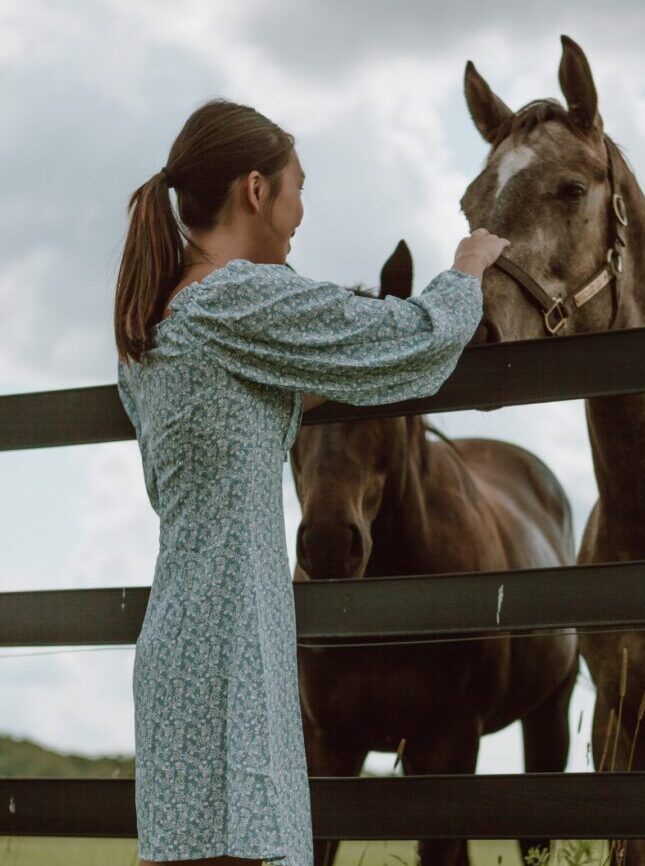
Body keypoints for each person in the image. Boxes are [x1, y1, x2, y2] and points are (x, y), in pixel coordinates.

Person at [113, 97, 509, 866]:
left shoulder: (156, 319)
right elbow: (409, 340)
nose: (301, 214)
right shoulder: (237, 295)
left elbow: (249, 404)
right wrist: (464, 272)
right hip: (235, 637)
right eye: (298, 187)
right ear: (255, 191)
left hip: (179, 639)